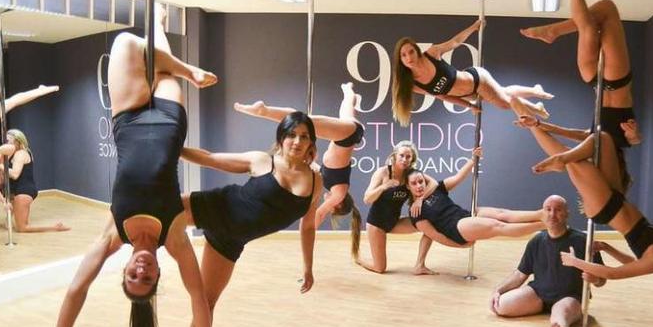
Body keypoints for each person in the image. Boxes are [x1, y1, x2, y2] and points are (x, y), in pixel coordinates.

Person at [45, 9, 218, 327]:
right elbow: (197, 295)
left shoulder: (114, 233)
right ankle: (162, 33)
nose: (141, 270)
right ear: (157, 274)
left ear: (124, 270)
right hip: (171, 122)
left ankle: (167, 39)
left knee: (126, 43)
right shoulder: (173, 238)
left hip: (127, 115)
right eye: (147, 278)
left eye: (131, 276)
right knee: (159, 61)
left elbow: (77, 289)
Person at [180, 111, 322, 327]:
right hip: (216, 206)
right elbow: (209, 157)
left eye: (303, 136)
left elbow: (307, 227)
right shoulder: (262, 160)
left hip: (231, 240)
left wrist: (308, 267)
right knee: (151, 213)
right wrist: (173, 148)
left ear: (311, 144)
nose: (297, 141)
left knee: (207, 304)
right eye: (291, 134)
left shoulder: (315, 181)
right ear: (281, 139)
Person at [523, 121, 653, 321]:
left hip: (606, 208)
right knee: (604, 138)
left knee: (575, 161)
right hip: (617, 200)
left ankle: (538, 132)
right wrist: (607, 248)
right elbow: (633, 262)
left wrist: (576, 262)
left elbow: (613, 273)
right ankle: (554, 150)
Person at [520, 0, 641, 192]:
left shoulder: (601, 143)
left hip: (613, 81)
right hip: (593, 81)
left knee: (606, 11)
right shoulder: (618, 143)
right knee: (591, 25)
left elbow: (579, 134)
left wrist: (542, 125)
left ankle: (560, 19)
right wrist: (634, 134)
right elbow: (634, 140)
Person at [233, 82, 363, 260]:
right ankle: (263, 111)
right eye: (333, 209)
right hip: (347, 136)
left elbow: (315, 168)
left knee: (346, 108)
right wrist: (309, 233)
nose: (329, 205)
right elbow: (319, 213)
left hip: (348, 133)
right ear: (338, 206)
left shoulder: (332, 184)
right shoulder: (339, 194)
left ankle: (349, 93)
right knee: (302, 122)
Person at [490, 195, 605, 327]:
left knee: (559, 317)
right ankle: (545, 315)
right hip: (538, 294)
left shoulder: (583, 241)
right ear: (542, 213)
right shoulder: (537, 241)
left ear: (567, 214)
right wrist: (498, 291)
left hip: (569, 297)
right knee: (500, 305)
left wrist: (596, 279)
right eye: (548, 210)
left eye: (558, 210)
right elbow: (520, 274)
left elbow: (602, 280)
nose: (552, 214)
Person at [391, 19, 553, 127]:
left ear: (416, 50)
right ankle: (535, 94)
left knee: (504, 103)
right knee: (503, 93)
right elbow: (442, 96)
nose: (408, 57)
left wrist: (474, 27)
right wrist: (469, 105)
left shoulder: (432, 53)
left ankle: (535, 108)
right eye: (403, 55)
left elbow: (455, 42)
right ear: (400, 60)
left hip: (477, 80)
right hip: (471, 95)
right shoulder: (413, 84)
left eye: (410, 52)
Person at [406, 147, 545, 247]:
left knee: (502, 214)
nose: (419, 185)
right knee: (498, 226)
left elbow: (458, 177)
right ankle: (543, 224)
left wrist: (473, 159)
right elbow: (435, 236)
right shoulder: (416, 212)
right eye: (414, 183)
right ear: (408, 187)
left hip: (465, 215)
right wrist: (459, 245)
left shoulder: (437, 189)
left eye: (421, 181)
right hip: (457, 228)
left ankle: (541, 214)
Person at [357, 140, 435, 275]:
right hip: (377, 224)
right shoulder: (382, 173)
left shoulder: (410, 174)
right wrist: (383, 187)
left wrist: (420, 200)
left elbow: (433, 183)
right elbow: (367, 199)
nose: (404, 159)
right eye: (402, 155)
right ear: (394, 156)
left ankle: (419, 265)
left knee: (430, 226)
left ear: (412, 159)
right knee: (380, 268)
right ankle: (358, 257)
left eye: (408, 157)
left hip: (395, 222)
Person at [5, 129, 69, 233]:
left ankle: (55, 227)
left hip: (24, 191)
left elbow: (15, 174)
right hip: (18, 190)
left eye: (8, 141)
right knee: (16, 223)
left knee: (22, 228)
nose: (5, 143)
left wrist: (1, 167)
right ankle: (8, 221)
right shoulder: (13, 153)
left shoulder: (20, 153)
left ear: (17, 142)